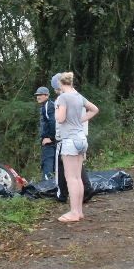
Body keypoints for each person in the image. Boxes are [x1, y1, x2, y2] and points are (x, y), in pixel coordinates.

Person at [53, 72, 99, 223]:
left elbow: (60, 118)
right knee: (78, 177)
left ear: (60, 84)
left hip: (70, 141)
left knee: (71, 178)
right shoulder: (79, 96)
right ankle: (79, 211)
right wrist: (80, 120)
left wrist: (57, 111)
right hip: (81, 139)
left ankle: (73, 213)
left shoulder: (62, 97)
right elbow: (94, 109)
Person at [35, 86, 56, 180]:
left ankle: (47, 188)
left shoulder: (48, 106)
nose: (38, 97)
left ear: (47, 95)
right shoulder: (47, 105)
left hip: (50, 143)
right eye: (37, 95)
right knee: (55, 165)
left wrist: (50, 138)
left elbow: (53, 122)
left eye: (40, 95)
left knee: (48, 164)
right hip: (53, 141)